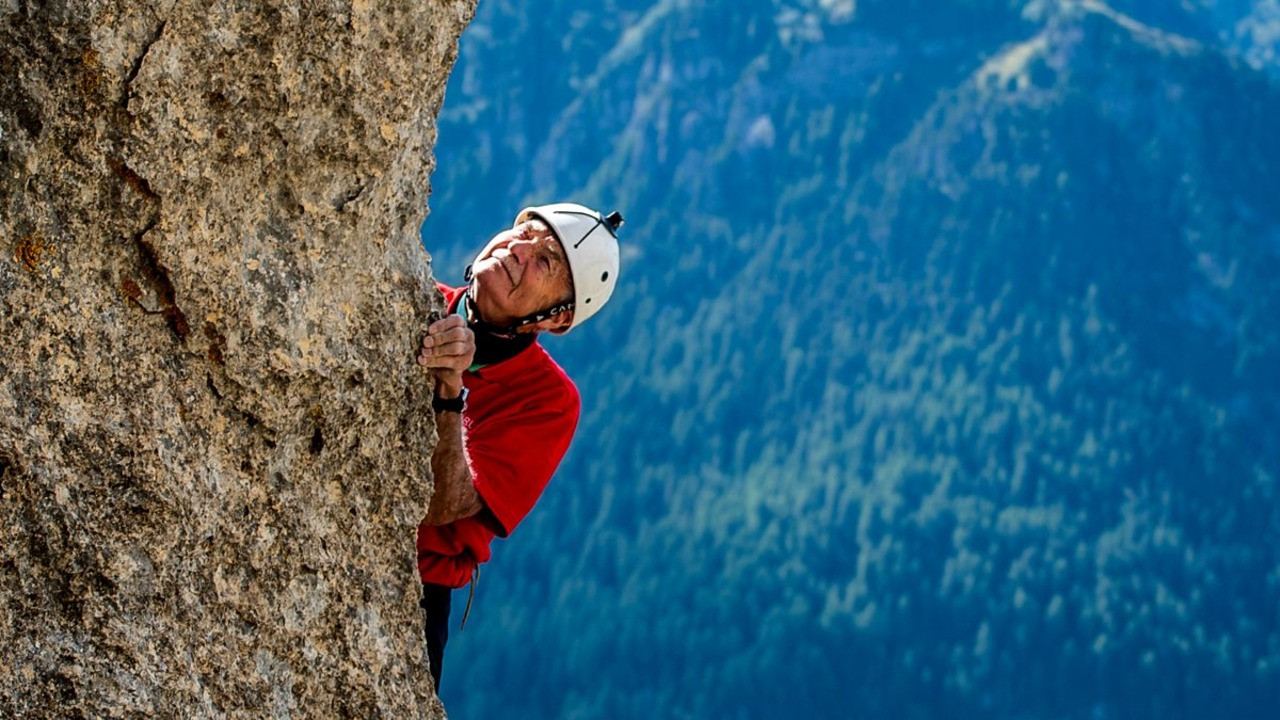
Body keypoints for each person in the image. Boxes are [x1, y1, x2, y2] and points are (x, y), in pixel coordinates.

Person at [414, 202, 624, 692]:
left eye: (545, 261)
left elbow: (442, 505)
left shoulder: (549, 402)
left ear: (555, 318)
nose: (518, 249)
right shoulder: (415, 302)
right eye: (524, 232)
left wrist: (449, 387)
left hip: (413, 592)